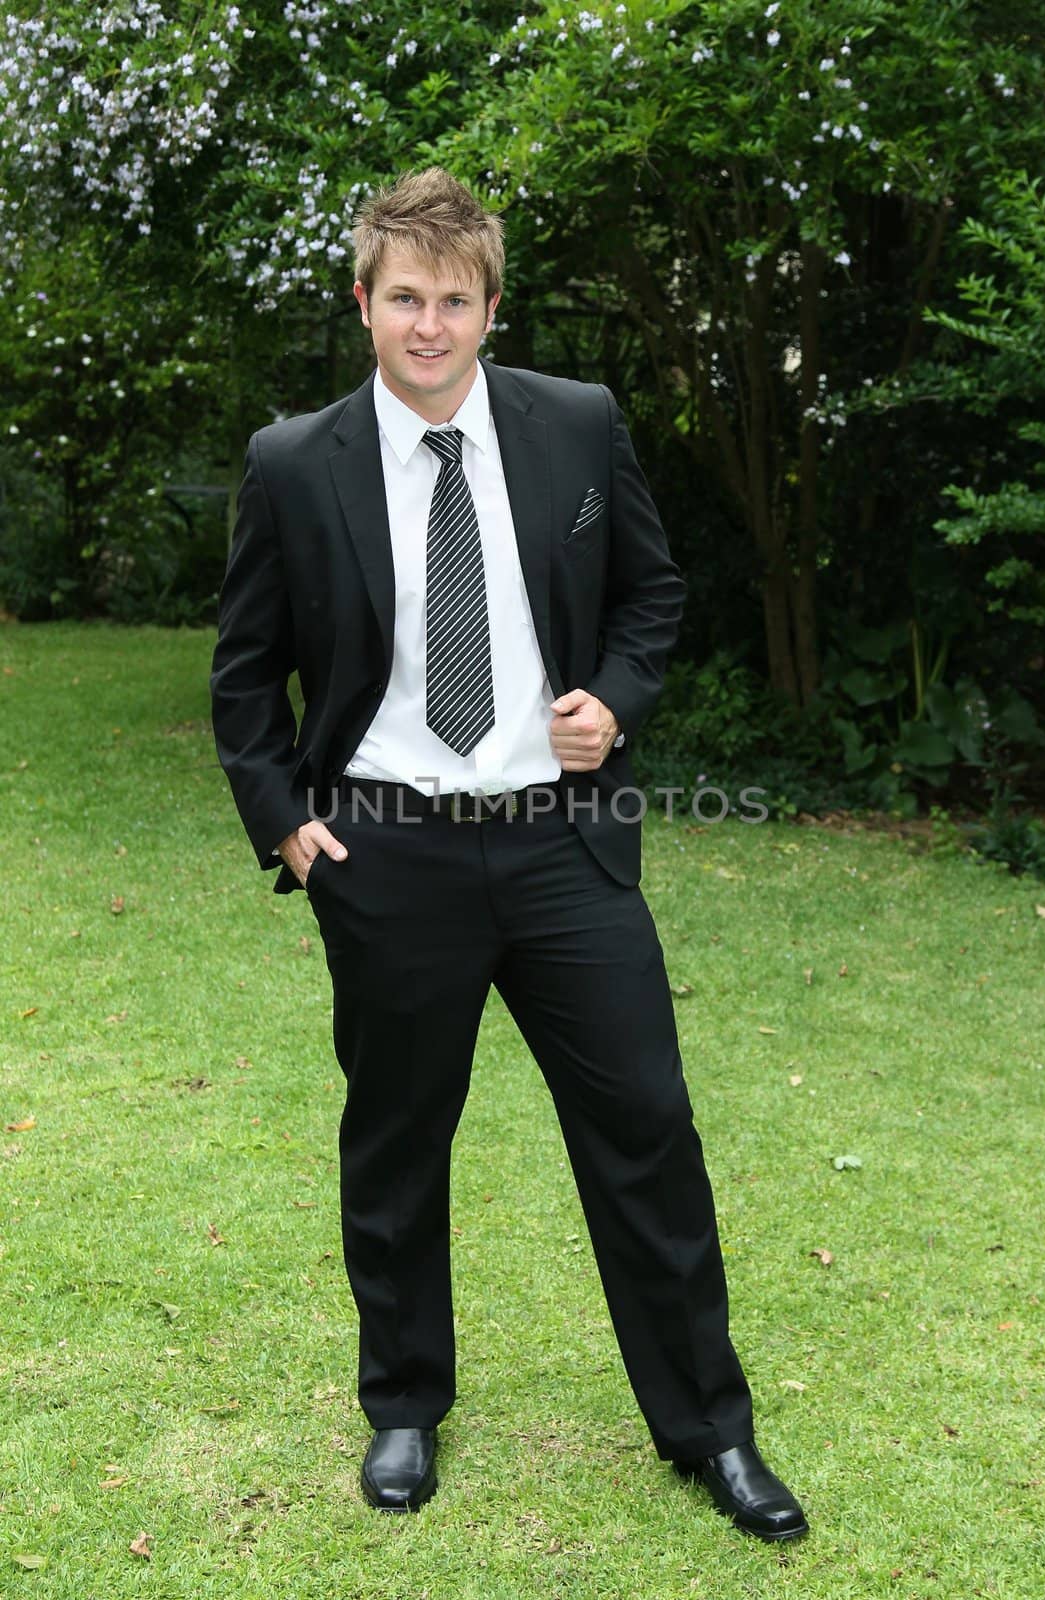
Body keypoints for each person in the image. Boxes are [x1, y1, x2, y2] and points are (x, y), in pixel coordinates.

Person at [209, 167, 807, 1541]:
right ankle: (406, 1407)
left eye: (456, 301)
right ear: (364, 303)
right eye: (405, 299)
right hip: (388, 855)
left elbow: (653, 592)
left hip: (561, 848)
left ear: (491, 306)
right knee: (400, 1139)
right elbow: (246, 676)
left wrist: (619, 699)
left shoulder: (577, 429)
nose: (432, 326)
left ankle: (712, 1431)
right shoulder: (295, 461)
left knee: (648, 1131)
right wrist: (283, 825)